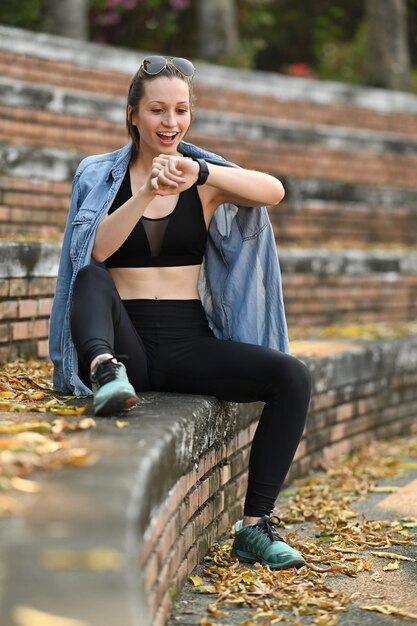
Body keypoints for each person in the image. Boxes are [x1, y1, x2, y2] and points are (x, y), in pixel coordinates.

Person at [49, 55, 311, 570]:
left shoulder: (205, 179)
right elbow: (96, 252)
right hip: (125, 348)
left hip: (190, 344)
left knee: (292, 377)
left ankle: (255, 527)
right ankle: (103, 370)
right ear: (133, 115)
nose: (170, 123)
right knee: (91, 276)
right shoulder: (98, 175)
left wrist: (203, 172)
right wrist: (146, 191)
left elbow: (274, 191)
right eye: (157, 111)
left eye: (181, 111)